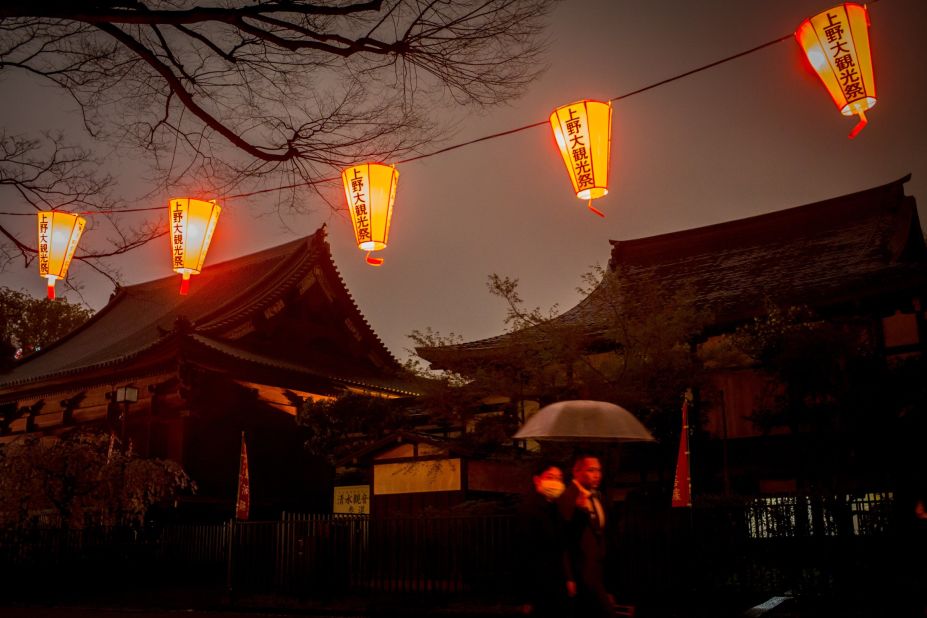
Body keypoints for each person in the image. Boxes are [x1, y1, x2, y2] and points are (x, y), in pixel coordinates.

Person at [558, 452, 615, 618]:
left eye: (599, 470)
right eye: (591, 470)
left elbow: (601, 533)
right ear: (576, 471)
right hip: (581, 571)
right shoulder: (567, 498)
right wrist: (569, 576)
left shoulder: (598, 496)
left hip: (598, 570)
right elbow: (564, 539)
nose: (597, 475)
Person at [517, 460, 569, 617]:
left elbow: (564, 541)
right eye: (550, 477)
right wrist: (527, 597)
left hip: (555, 582)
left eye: (559, 478)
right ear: (537, 480)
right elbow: (523, 553)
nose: (555, 482)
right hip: (540, 585)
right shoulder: (529, 509)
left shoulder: (554, 507)